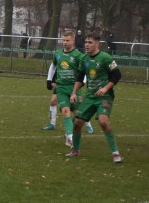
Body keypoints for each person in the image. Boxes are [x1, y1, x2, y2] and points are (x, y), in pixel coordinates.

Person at [67, 32, 122, 163]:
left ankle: (115, 153)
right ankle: (75, 150)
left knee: (103, 122)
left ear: (97, 43)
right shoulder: (84, 59)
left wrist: (105, 88)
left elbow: (117, 75)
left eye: (90, 42)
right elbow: (80, 78)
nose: (87, 45)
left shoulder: (106, 58)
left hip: (105, 97)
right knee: (77, 123)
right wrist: (74, 92)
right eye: (86, 42)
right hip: (90, 96)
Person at [45, 31, 93, 145]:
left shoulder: (78, 56)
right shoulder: (58, 53)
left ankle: (68, 133)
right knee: (65, 111)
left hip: (74, 88)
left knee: (78, 116)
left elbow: (84, 71)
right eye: (63, 40)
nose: (65, 43)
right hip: (61, 87)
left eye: (67, 40)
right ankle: (70, 138)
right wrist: (49, 80)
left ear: (73, 41)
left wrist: (83, 82)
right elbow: (53, 66)